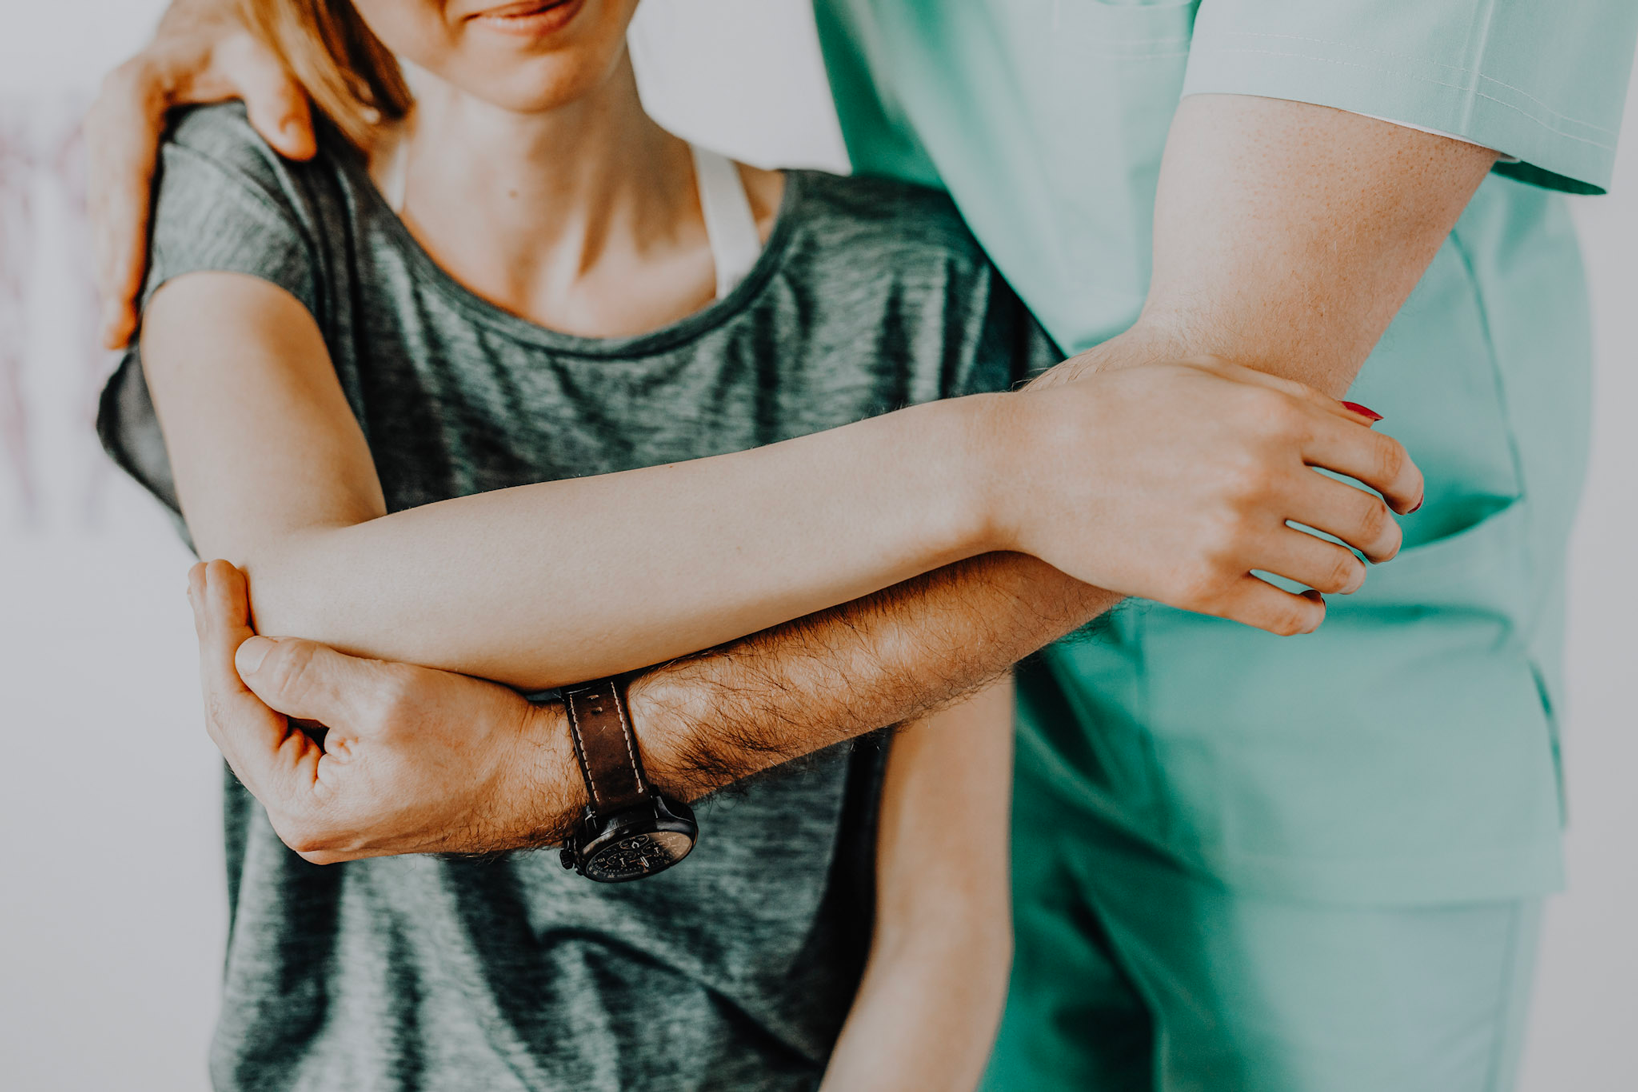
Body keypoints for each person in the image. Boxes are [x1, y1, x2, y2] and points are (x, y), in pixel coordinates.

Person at [93, 1, 1417, 1090]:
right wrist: (1000, 463)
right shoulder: (256, 187)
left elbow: (939, 925)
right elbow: (312, 607)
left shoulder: (916, 283)